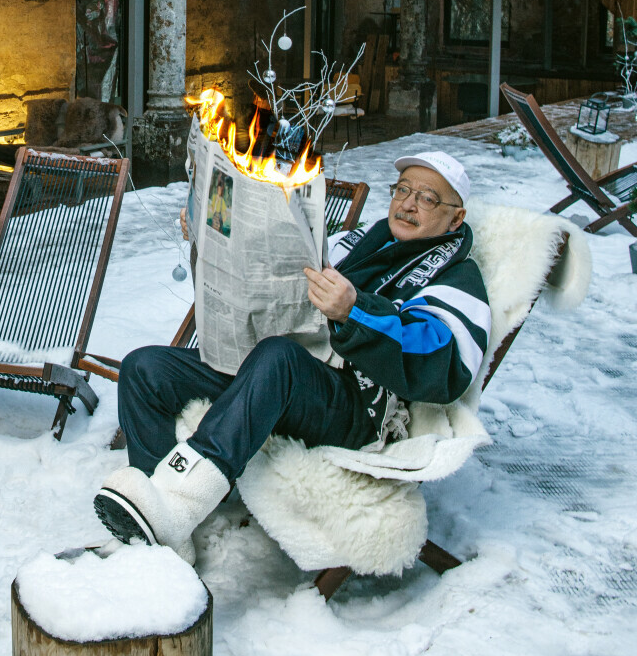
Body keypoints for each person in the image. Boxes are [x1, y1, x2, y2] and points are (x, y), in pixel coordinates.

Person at [94, 151, 491, 559]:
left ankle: (180, 503)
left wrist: (353, 312)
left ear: (455, 218)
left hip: (355, 408)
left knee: (279, 357)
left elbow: (443, 364)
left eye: (427, 198)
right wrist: (208, 232)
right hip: (276, 376)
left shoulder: (456, 277)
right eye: (402, 190)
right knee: (145, 368)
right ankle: (158, 530)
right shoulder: (356, 243)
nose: (407, 204)